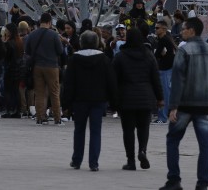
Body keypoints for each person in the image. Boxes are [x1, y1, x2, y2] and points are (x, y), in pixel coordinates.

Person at [160, 17, 208, 190]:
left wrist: (173, 107)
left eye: (184, 28)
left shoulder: (184, 51)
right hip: (205, 105)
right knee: (205, 146)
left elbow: (178, 79)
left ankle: (174, 180)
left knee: (172, 140)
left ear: (192, 30)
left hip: (185, 104)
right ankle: (203, 183)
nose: (181, 31)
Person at [62, 30, 117, 171]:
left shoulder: (74, 59)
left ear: (81, 42)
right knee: (96, 131)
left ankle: (76, 160)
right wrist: (114, 102)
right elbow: (111, 82)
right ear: (97, 42)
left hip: (79, 100)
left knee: (79, 130)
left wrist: (66, 103)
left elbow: (68, 83)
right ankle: (94, 163)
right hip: (99, 100)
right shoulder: (104, 59)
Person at [114, 28, 164, 171]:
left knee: (128, 130)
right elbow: (156, 79)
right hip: (145, 97)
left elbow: (114, 79)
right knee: (144, 127)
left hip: (126, 98)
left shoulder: (120, 56)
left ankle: (131, 161)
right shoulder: (148, 56)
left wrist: (113, 99)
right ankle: (142, 150)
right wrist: (160, 98)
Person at [24, 12, 63, 125]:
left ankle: (40, 117)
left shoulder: (32, 34)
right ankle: (57, 118)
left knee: (39, 93)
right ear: (50, 22)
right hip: (52, 66)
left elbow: (28, 51)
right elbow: (60, 51)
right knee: (54, 93)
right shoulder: (54, 35)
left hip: (37, 66)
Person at [154, 20, 177, 124]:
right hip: (167, 69)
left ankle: (162, 117)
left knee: (164, 94)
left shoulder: (164, 40)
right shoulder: (167, 39)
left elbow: (158, 54)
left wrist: (160, 55)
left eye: (157, 28)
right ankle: (163, 116)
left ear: (163, 29)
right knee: (166, 92)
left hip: (165, 69)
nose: (155, 29)